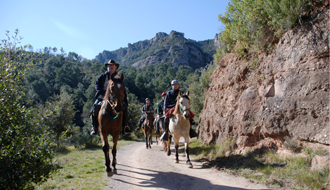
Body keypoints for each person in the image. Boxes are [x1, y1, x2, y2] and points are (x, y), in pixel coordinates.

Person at [90, 59, 132, 135]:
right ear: (107, 67)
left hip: (115, 98)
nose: (111, 67)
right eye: (109, 65)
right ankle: (94, 127)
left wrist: (124, 100)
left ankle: (125, 126)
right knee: (95, 107)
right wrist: (103, 92)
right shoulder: (102, 76)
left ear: (115, 67)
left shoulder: (118, 78)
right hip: (102, 97)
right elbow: (97, 85)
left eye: (112, 65)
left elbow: (122, 89)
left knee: (125, 108)